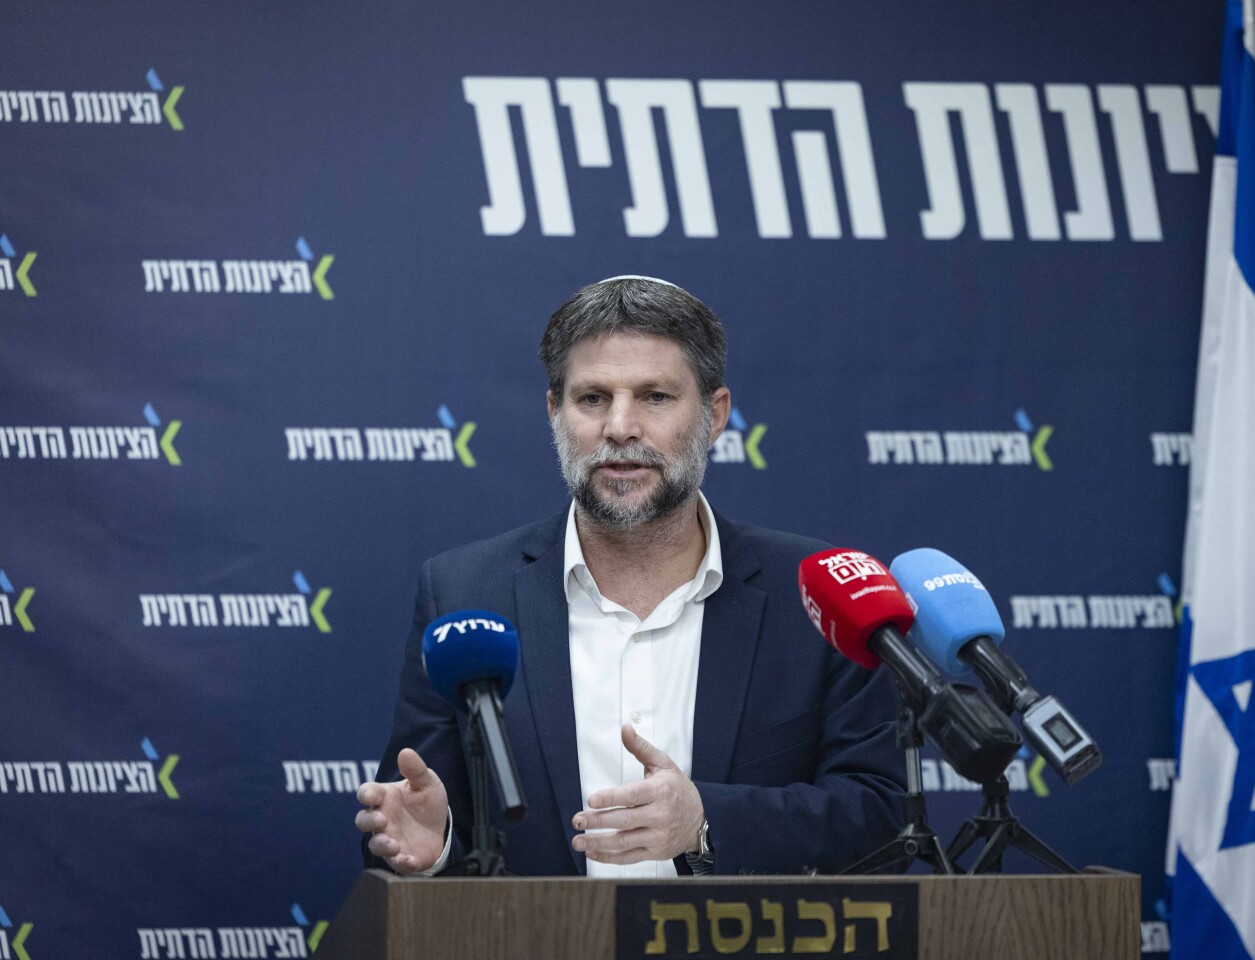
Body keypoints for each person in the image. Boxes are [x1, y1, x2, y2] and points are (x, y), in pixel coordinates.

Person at [355, 276, 905, 876]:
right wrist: (432, 847)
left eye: (655, 397)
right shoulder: (463, 595)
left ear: (715, 415)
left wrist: (706, 822)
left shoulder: (816, 599)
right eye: (593, 398)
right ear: (555, 413)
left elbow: (883, 817)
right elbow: (417, 815)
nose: (620, 426)